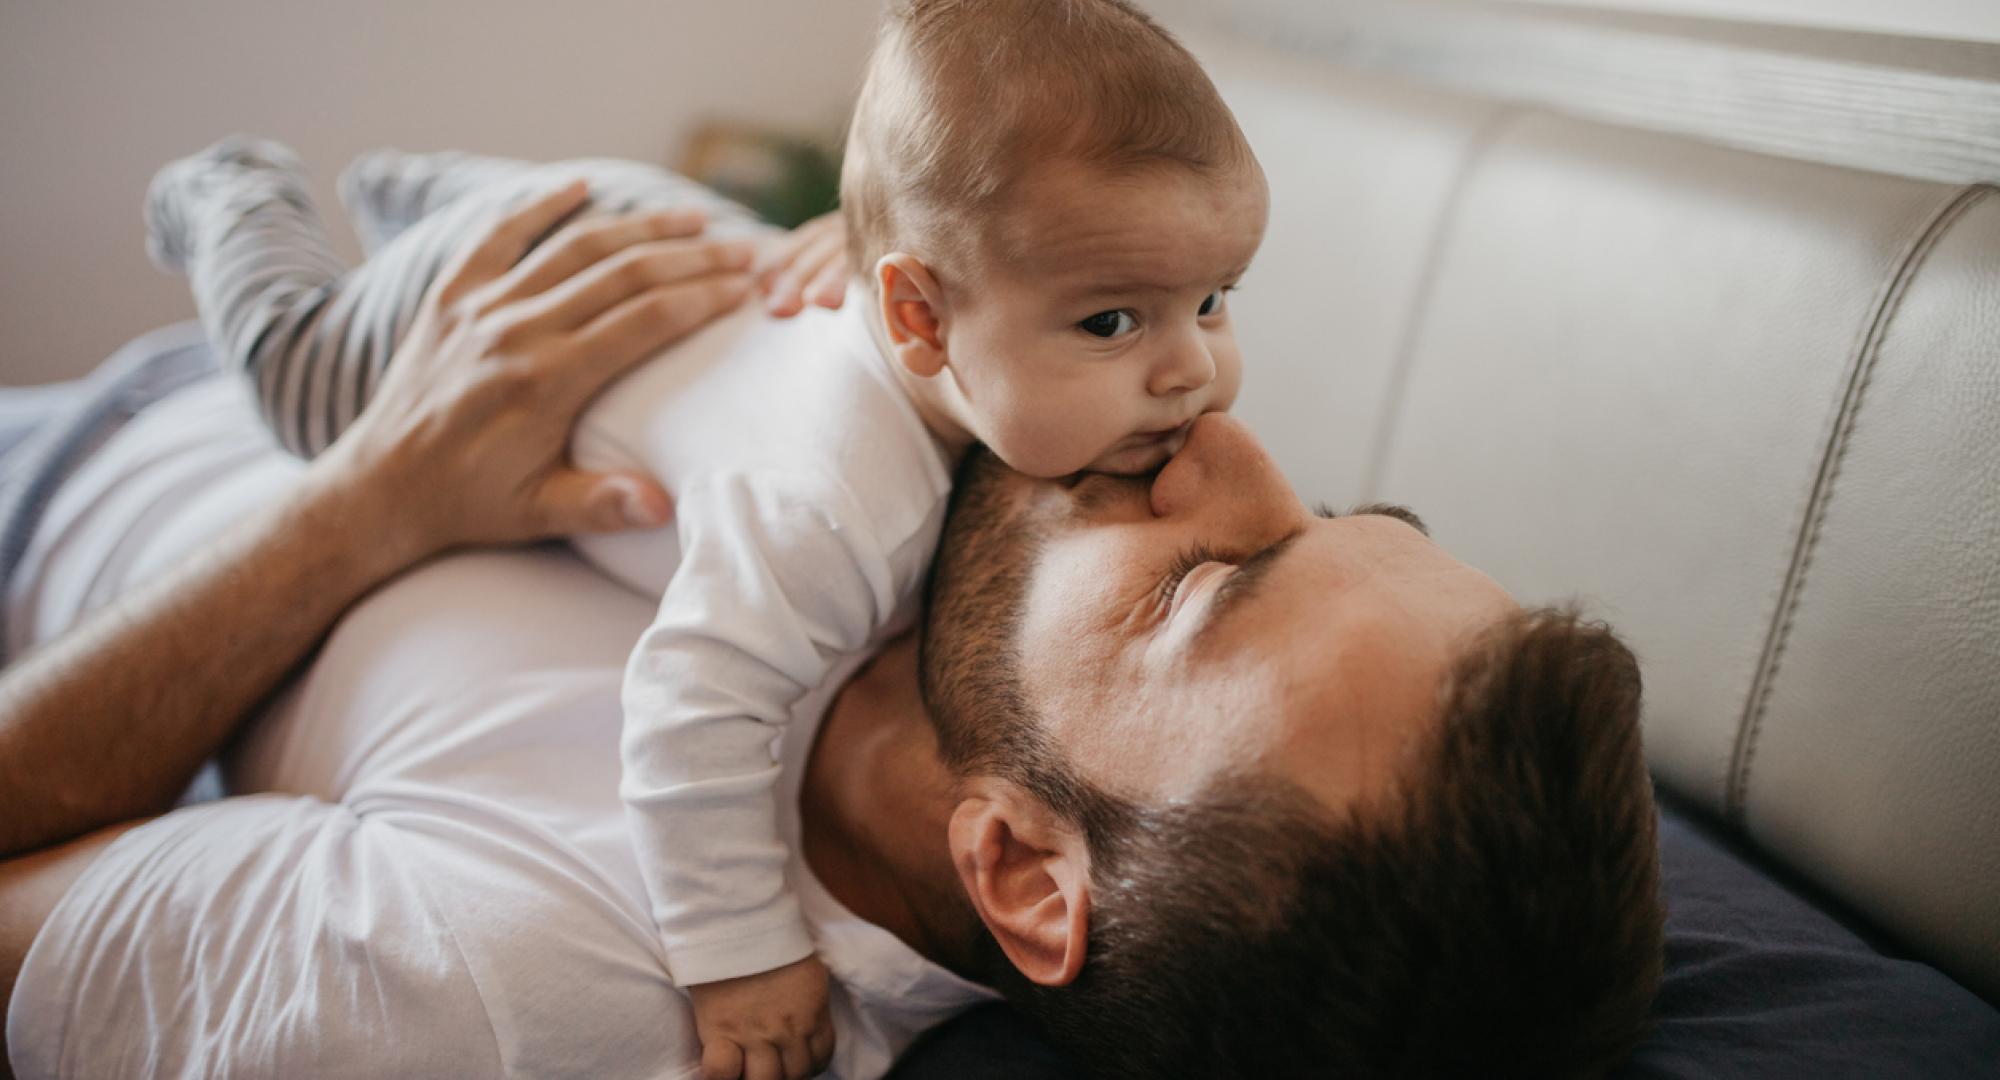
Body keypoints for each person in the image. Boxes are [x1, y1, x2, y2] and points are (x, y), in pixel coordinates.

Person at [1, 193, 1664, 1080]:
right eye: (1345, 517)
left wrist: (369, 505)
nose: (1224, 441)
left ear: (1021, 871)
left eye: (1218, 585)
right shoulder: (973, 509)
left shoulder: (512, 982)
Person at [141, 3, 1269, 1074]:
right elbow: (690, 713)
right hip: (524, 286)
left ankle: (409, 191)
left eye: (1213, 299)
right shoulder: (825, 511)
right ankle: (235, 192)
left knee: (495, 205)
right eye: (1112, 321)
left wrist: (864, 242)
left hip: (649, 227)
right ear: (917, 318)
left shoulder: (974, 352)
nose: (1190, 373)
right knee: (302, 388)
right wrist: (741, 952)